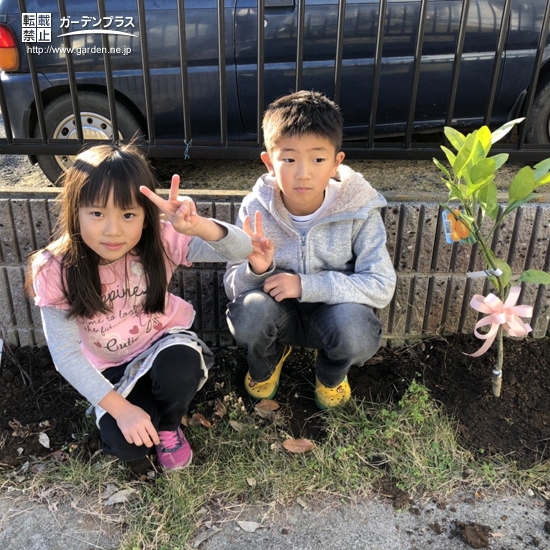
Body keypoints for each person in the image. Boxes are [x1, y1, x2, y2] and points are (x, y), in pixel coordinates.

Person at [27, 143, 252, 470]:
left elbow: (241, 249)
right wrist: (122, 409)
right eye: (97, 213)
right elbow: (65, 356)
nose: (113, 230)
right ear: (74, 210)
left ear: (146, 216)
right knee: (127, 447)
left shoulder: (161, 239)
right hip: (109, 366)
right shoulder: (55, 269)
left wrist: (197, 226)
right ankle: (142, 404)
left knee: (180, 369)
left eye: (128, 214)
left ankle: (169, 424)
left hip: (163, 345)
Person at [224, 90, 396, 409]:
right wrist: (257, 270)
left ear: (335, 163)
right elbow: (232, 285)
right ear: (269, 162)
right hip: (278, 312)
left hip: (333, 314)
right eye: (289, 159)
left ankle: (330, 375)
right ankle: (267, 364)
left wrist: (306, 285)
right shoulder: (255, 208)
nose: (303, 172)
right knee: (248, 314)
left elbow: (382, 286)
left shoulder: (359, 209)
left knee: (357, 330)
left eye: (318, 159)